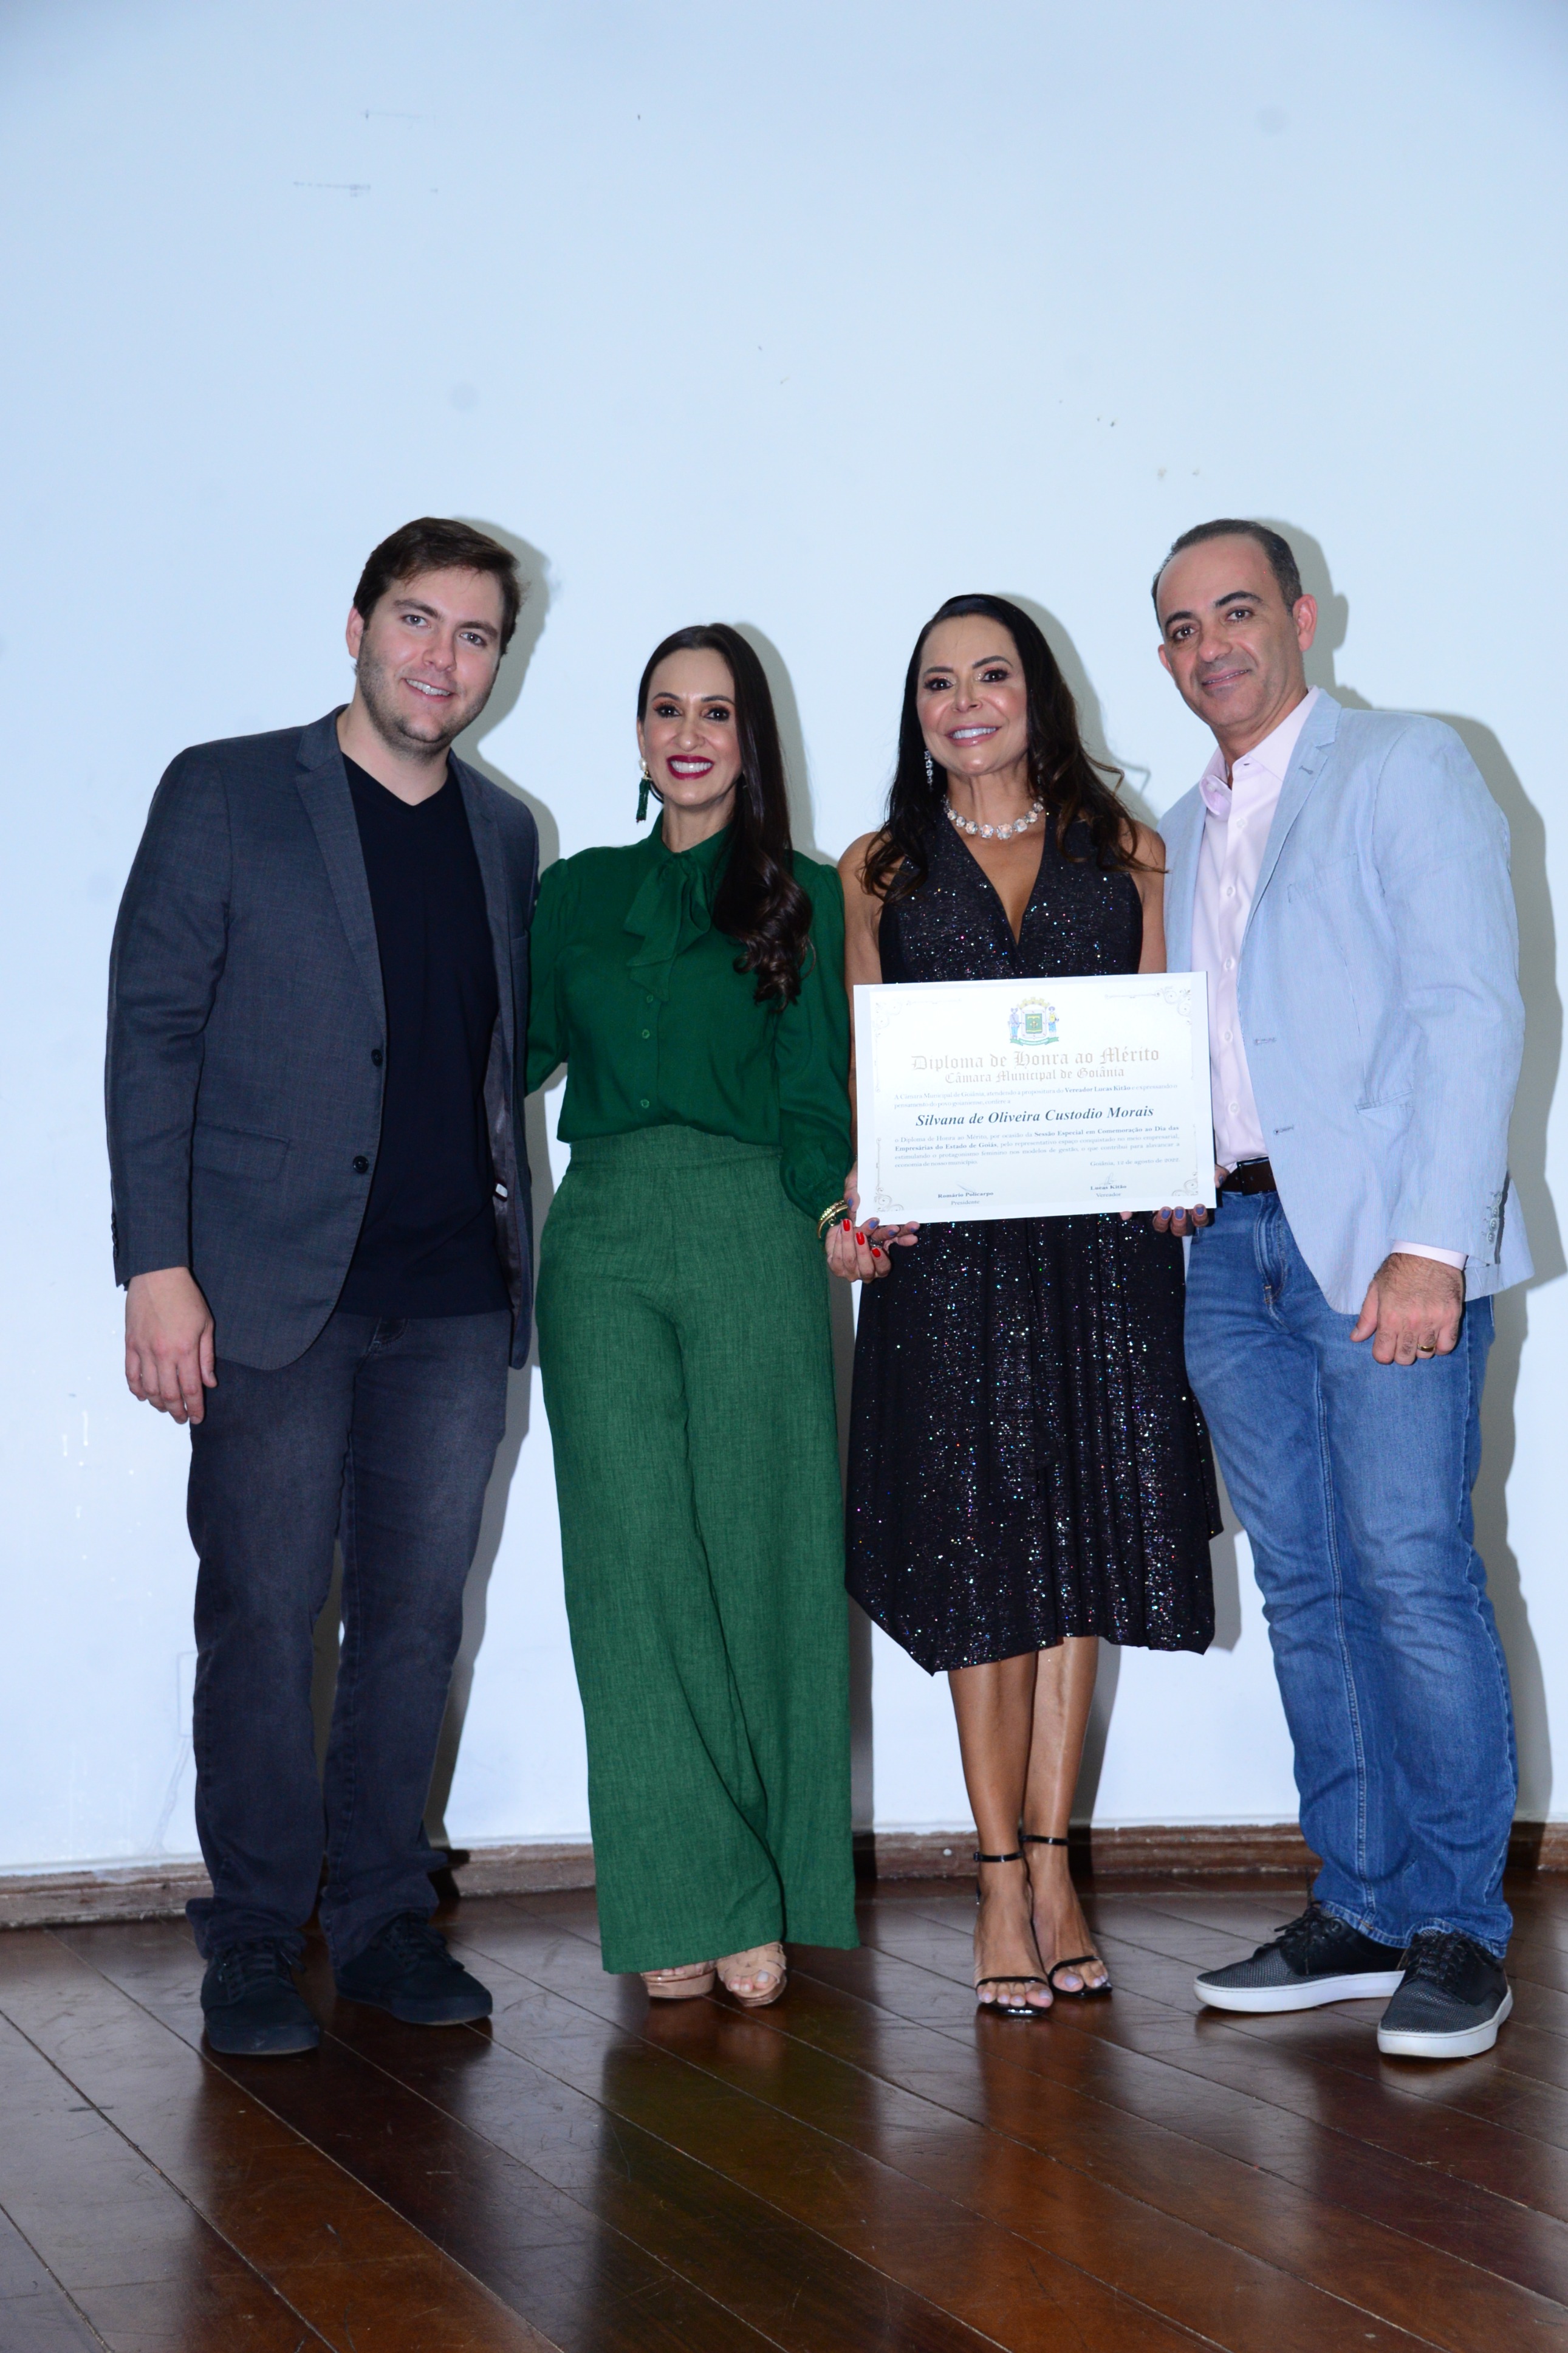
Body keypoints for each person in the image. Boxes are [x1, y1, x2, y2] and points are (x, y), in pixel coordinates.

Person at [106, 517, 538, 2055]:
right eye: (417, 620)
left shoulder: (505, 834)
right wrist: (156, 1264)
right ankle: (249, 1934)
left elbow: (495, 1059)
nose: (442, 657)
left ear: (499, 661)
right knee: (264, 1613)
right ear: (356, 628)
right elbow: (152, 1029)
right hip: (268, 1290)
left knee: (414, 1622)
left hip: (454, 1295)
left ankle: (380, 1919)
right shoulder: (226, 791)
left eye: (475, 635)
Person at [1153, 518, 1529, 2060]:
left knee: (1410, 1571)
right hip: (1225, 1250)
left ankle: (1459, 1926)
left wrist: (1436, 1241)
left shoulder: (1403, 764)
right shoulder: (1174, 828)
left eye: (1236, 612)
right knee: (1305, 1582)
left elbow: (1467, 1007)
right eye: (1182, 629)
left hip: (1383, 1248)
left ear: (1301, 617)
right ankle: (1362, 1900)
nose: (1211, 647)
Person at [840, 594, 1219, 2017]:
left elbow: (1163, 1033)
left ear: (1035, 692)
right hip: (948, 1259)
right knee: (977, 1554)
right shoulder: (876, 866)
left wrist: (1175, 1165)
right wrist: (863, 1190)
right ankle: (996, 1873)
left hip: (1100, 1253)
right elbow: (869, 1072)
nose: (964, 702)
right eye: (936, 682)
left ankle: (1055, 1868)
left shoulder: (1127, 848)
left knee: (1083, 1546)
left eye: (989, 674)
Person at [528, 623, 858, 2008]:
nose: (687, 733)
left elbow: (816, 1090)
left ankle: (768, 1887)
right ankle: (681, 1891)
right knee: (627, 1566)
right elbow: (506, 1052)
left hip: (753, 1229)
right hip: (599, 1230)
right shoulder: (573, 894)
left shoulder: (807, 895)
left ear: (749, 737)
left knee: (765, 1552)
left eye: (715, 711)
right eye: (665, 708)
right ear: (640, 732)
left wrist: (831, 1209)